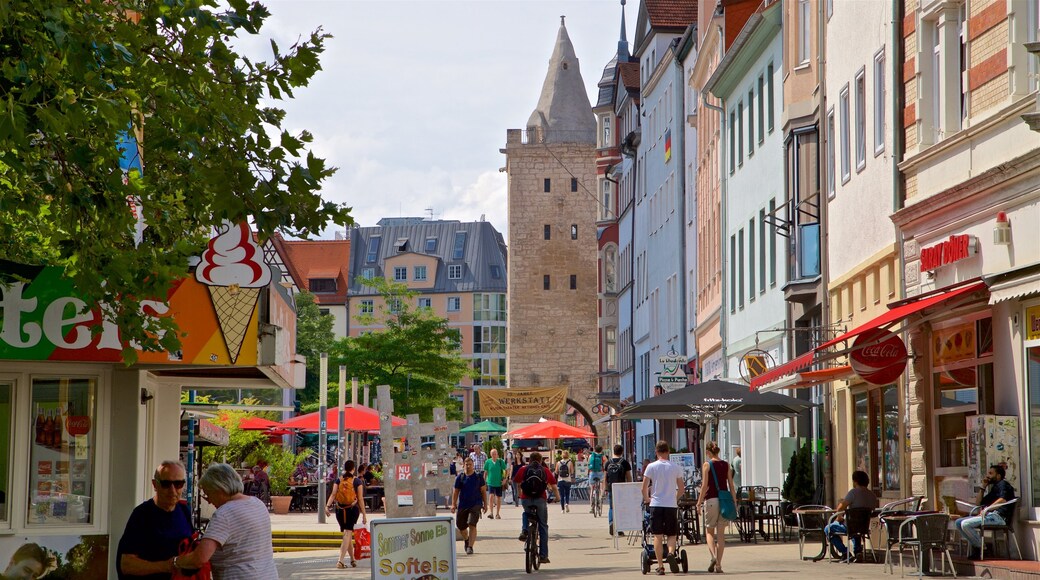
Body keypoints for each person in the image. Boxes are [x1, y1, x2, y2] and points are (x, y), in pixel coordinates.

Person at [175, 463, 277, 579]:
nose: (208, 501)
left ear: (220, 489)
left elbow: (200, 558)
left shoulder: (224, 513)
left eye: (208, 494)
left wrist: (175, 562)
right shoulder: (258, 504)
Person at [117, 460, 194, 579]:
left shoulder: (184, 512)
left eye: (178, 484)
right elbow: (126, 565)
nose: (172, 490)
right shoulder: (142, 515)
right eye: (166, 484)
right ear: (155, 484)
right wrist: (167, 566)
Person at [955, 464, 1016, 560]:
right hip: (990, 516)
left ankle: (981, 548)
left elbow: (1002, 500)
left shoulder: (1003, 484)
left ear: (998, 476)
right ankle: (979, 546)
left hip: (999, 517)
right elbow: (978, 503)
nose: (988, 476)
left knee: (965, 524)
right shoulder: (994, 488)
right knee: (958, 522)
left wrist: (987, 509)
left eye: (991, 473)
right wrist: (983, 487)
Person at [643, 441, 684, 576]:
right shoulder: (676, 467)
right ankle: (671, 553)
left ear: (656, 452)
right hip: (670, 505)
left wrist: (648, 499)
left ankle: (660, 566)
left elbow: (644, 487)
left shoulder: (651, 466)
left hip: (656, 504)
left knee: (658, 536)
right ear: (668, 452)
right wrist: (675, 499)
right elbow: (682, 489)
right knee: (672, 534)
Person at [514, 451, 559, 565]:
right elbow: (553, 486)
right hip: (540, 499)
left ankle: (524, 530)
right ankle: (543, 555)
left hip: (526, 499)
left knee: (525, 513)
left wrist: (520, 494)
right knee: (543, 526)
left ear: (529, 460)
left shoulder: (523, 469)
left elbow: (517, 482)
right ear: (540, 461)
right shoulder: (545, 470)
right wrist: (557, 498)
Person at [696, 441, 735, 574]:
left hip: (711, 500)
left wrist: (699, 502)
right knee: (721, 535)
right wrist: (734, 501)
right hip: (724, 501)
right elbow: (731, 484)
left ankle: (713, 557)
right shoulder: (726, 465)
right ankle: (719, 566)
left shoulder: (707, 465)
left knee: (709, 532)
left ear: (708, 452)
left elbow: (704, 486)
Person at [823, 470, 879, 560]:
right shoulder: (872, 495)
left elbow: (840, 508)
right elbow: (872, 510)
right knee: (855, 528)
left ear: (855, 481)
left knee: (828, 529)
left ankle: (845, 552)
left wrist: (839, 517)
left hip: (851, 526)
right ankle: (858, 551)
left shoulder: (853, 493)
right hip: (864, 526)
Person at [324, 460, 367, 568]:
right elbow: (360, 499)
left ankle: (352, 560)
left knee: (346, 534)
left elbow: (333, 494)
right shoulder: (357, 481)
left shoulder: (339, 480)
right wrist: (364, 514)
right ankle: (340, 561)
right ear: (353, 468)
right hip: (352, 510)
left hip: (339, 510)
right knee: (347, 533)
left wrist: (327, 506)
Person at [451, 457, 488, 555]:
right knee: (461, 527)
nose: (468, 466)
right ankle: (466, 540)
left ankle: (470, 547)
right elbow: (455, 492)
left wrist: (485, 504)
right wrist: (453, 504)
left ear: (473, 465)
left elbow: (483, 491)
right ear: (463, 465)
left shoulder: (478, 477)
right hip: (463, 505)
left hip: (475, 504)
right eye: (466, 464)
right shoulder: (460, 477)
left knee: (472, 524)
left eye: (470, 464)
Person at [605, 443, 633, 536]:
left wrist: (605, 488)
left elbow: (605, 477)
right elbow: (629, 477)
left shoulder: (608, 462)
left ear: (614, 451)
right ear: (622, 452)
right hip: (622, 488)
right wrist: (630, 488)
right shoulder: (624, 462)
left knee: (611, 507)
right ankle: (620, 528)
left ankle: (611, 523)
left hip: (611, 487)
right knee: (621, 508)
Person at [483, 448, 508, 519]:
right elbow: (485, 472)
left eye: (495, 454)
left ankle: (497, 513)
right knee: (491, 496)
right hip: (490, 482)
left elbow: (506, 471)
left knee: (498, 498)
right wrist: (483, 481)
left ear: (497, 454)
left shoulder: (501, 461)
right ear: (490, 455)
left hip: (499, 482)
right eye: (493, 454)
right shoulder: (488, 462)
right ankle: (491, 513)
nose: (494, 455)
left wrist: (505, 479)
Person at [587, 445, 605, 514]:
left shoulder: (591, 456)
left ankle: (592, 507)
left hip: (592, 473)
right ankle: (601, 498)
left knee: (592, 489)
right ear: (601, 450)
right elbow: (605, 466)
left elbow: (589, 464)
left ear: (594, 450)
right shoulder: (603, 456)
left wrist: (588, 473)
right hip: (600, 473)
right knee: (600, 487)